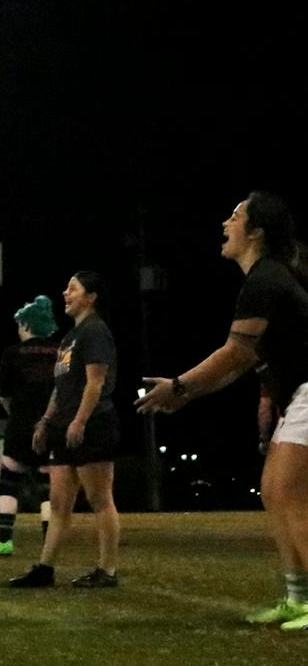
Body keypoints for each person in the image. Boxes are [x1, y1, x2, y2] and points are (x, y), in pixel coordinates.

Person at [137, 192, 308, 632]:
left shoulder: (266, 280)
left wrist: (179, 386)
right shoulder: (265, 278)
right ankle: (297, 599)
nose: (224, 223)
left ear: (256, 232)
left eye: (234, 216)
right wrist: (187, 394)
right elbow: (244, 362)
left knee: (288, 493)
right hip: (297, 396)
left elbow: (234, 353)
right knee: (274, 490)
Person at [9, 271, 121, 589]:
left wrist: (80, 421)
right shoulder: (70, 337)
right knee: (59, 503)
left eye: (73, 288)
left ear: (92, 297)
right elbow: (61, 387)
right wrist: (45, 422)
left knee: (100, 498)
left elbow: (95, 382)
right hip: (63, 427)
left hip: (93, 425)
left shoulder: (95, 331)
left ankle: (107, 570)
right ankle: (45, 568)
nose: (65, 293)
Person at [0, 295, 60, 558]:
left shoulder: (13, 353)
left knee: (9, 479)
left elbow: (4, 395)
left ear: (27, 324)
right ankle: (49, 541)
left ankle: (4, 540)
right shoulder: (59, 352)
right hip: (51, 425)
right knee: (46, 484)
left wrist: (15, 414)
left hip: (20, 424)